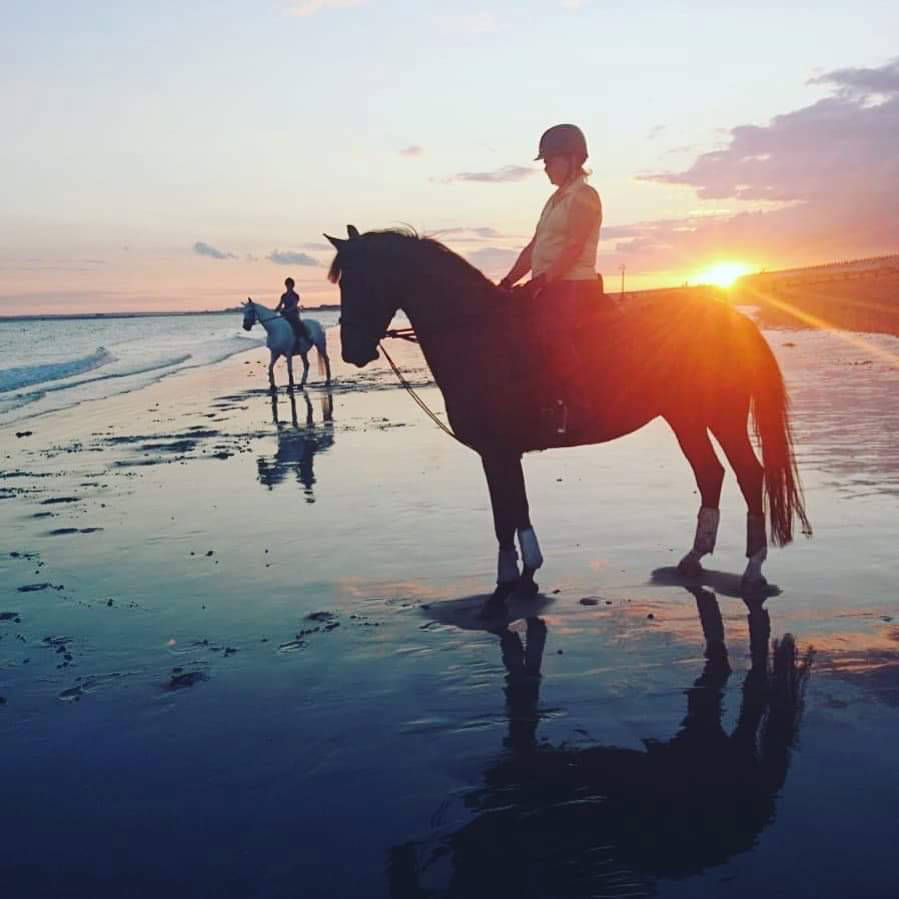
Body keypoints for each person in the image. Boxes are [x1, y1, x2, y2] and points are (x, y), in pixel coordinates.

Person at [499, 123, 603, 307]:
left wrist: (541, 281)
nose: (546, 168)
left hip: (575, 290)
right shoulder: (554, 200)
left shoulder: (585, 196)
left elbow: (574, 248)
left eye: (549, 162)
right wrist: (507, 282)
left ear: (573, 159)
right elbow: (533, 248)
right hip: (550, 288)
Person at [275, 277, 308, 347]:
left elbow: (294, 306)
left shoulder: (295, 295)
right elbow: (279, 305)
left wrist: (286, 310)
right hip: (285, 315)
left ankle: (302, 340)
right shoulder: (283, 296)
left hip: (294, 315)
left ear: (292, 285)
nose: (288, 286)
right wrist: (274, 311)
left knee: (297, 325)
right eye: (287, 285)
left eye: (290, 285)